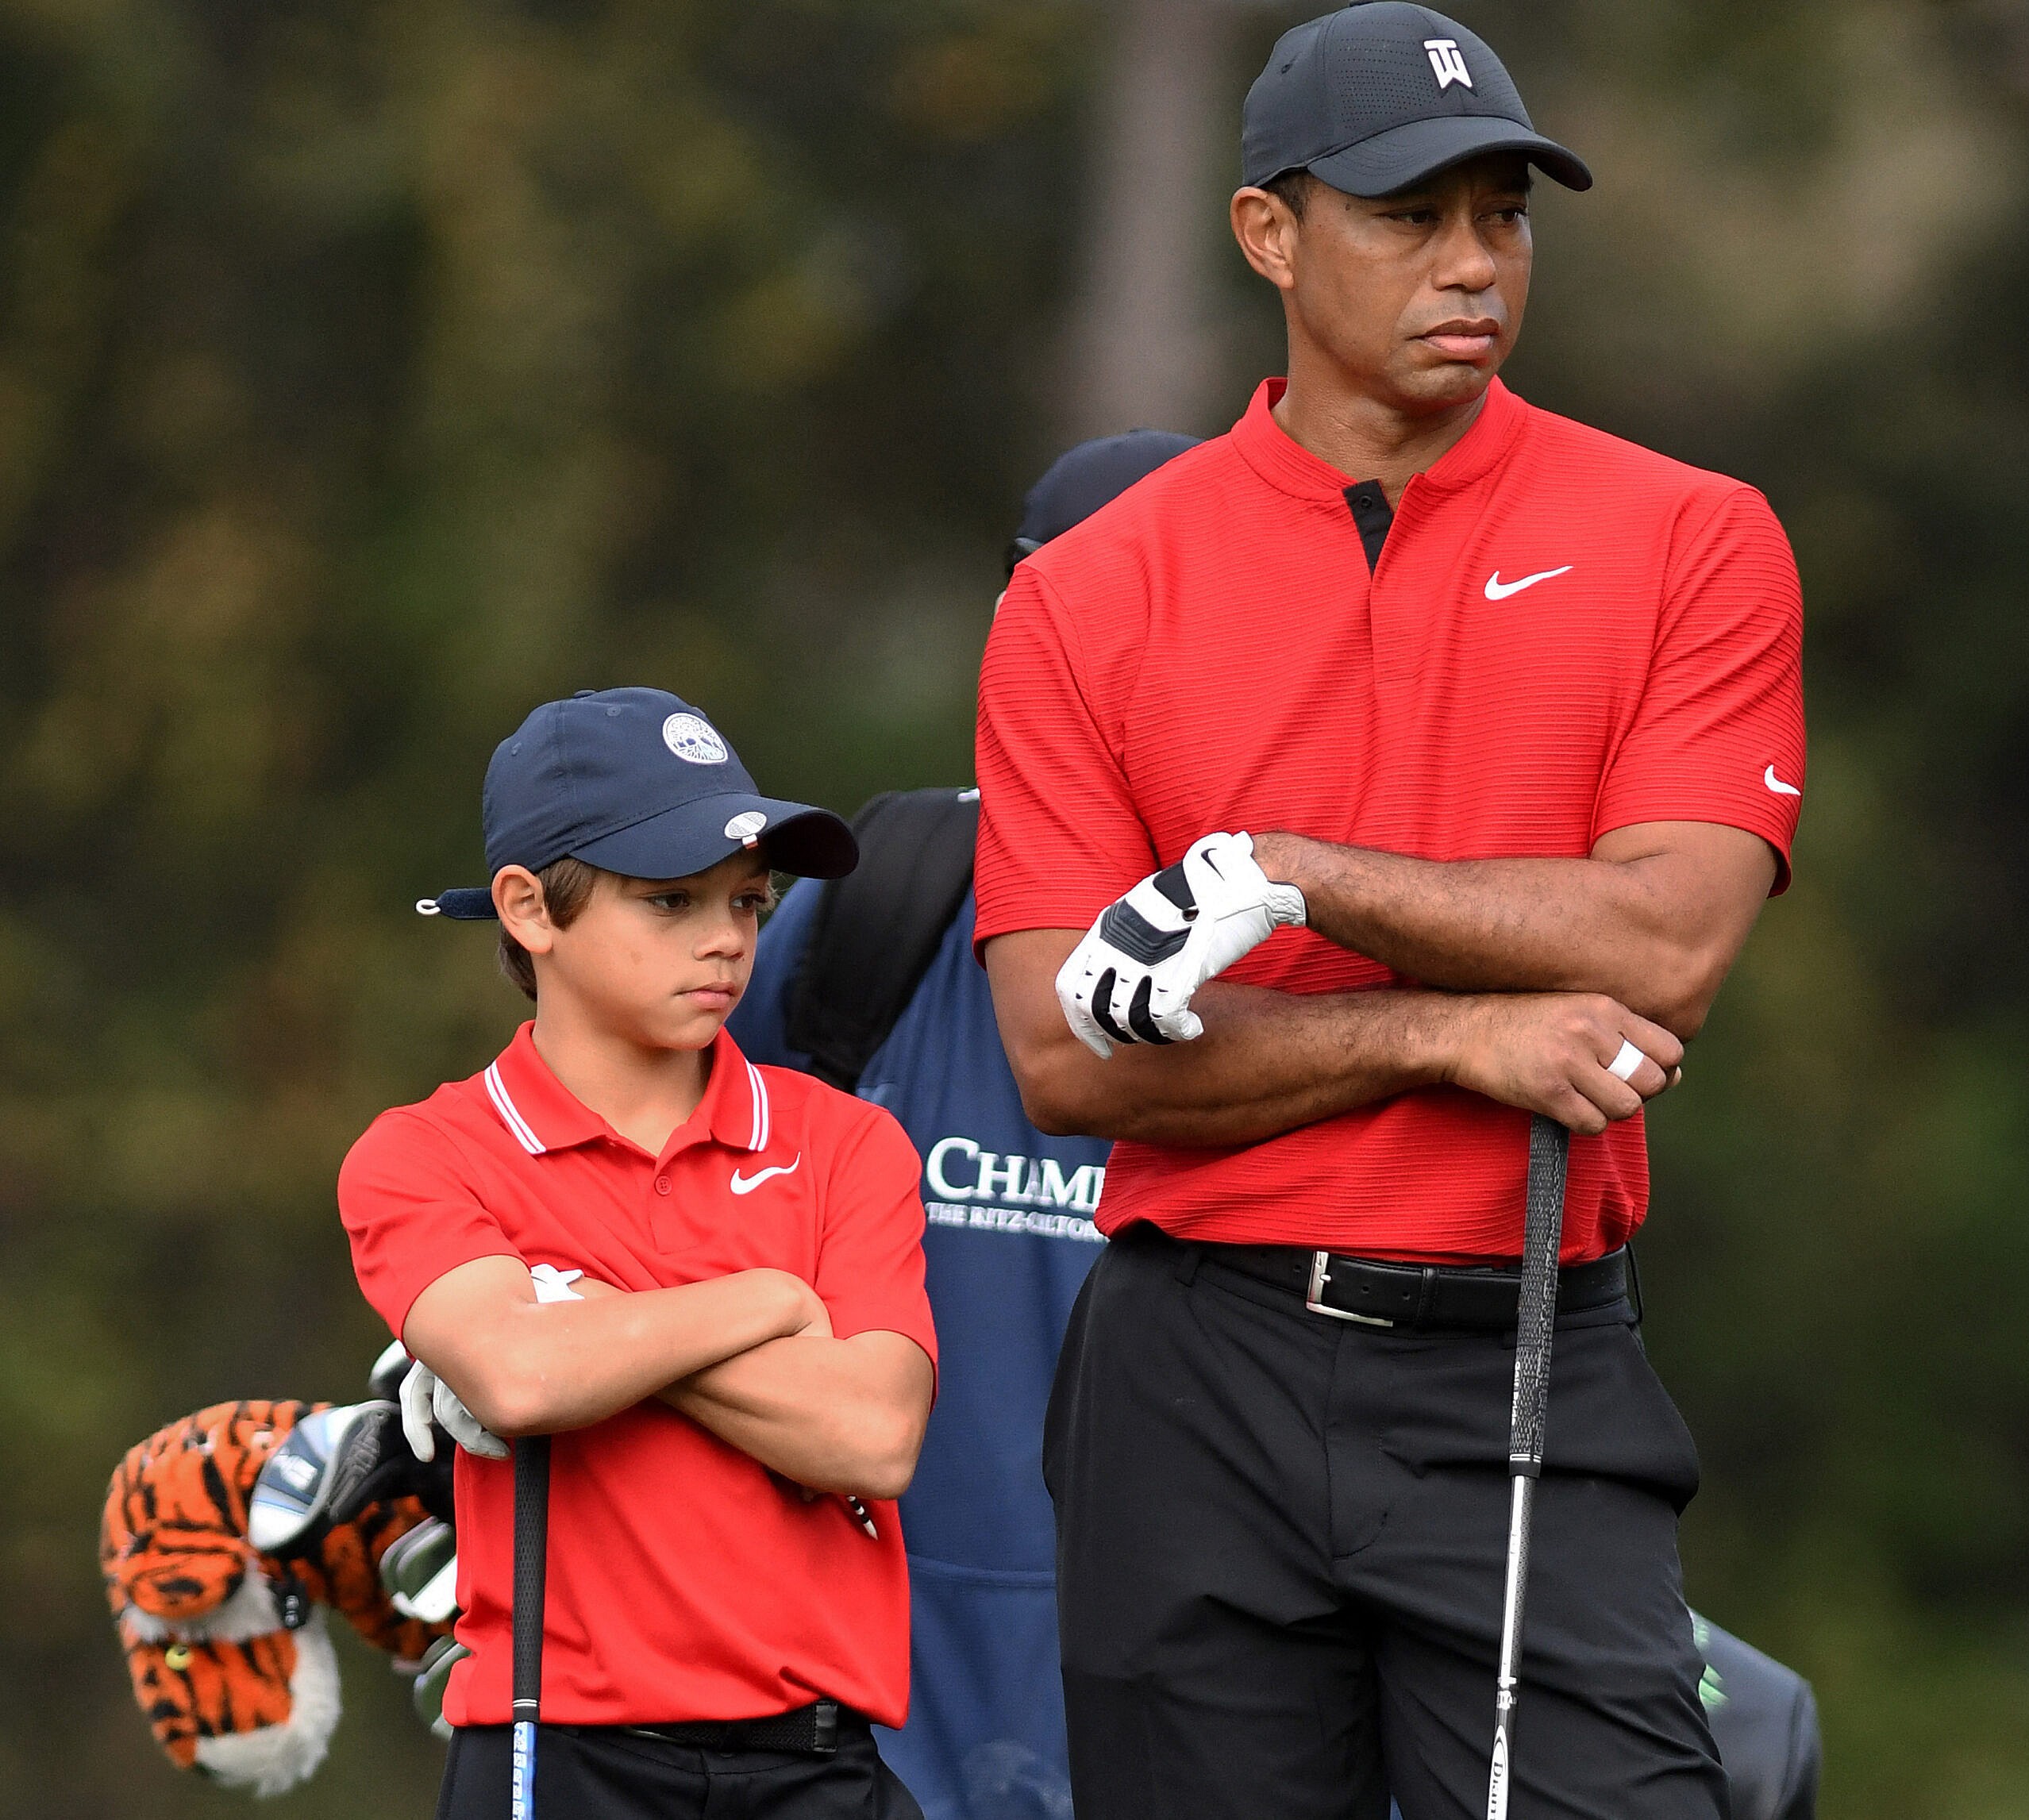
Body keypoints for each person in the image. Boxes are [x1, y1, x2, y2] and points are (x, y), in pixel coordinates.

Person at [973, 8, 1806, 1820]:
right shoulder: (1087, 597)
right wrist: (1449, 1030)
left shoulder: (1690, 537)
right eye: (1405, 214)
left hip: (1521, 1351)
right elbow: (1063, 1057)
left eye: (1499, 215)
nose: (1468, 264)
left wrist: (1287, 874)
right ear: (1265, 235)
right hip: (1188, 1371)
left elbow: (1661, 946)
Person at [337, 687, 939, 1820]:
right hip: (558, 1758)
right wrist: (770, 1296)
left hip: (816, 1765)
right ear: (528, 908)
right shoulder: (424, 1151)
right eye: (670, 901)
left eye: (748, 903)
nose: (726, 938)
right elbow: (522, 1376)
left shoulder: (849, 1141)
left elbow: (871, 1434)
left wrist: (588, 1319)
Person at [733, 430, 1199, 1820]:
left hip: (1192, 1710)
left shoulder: (1324, 956)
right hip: (853, 1715)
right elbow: (617, 1187)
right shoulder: (863, 921)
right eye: (1079, 613)